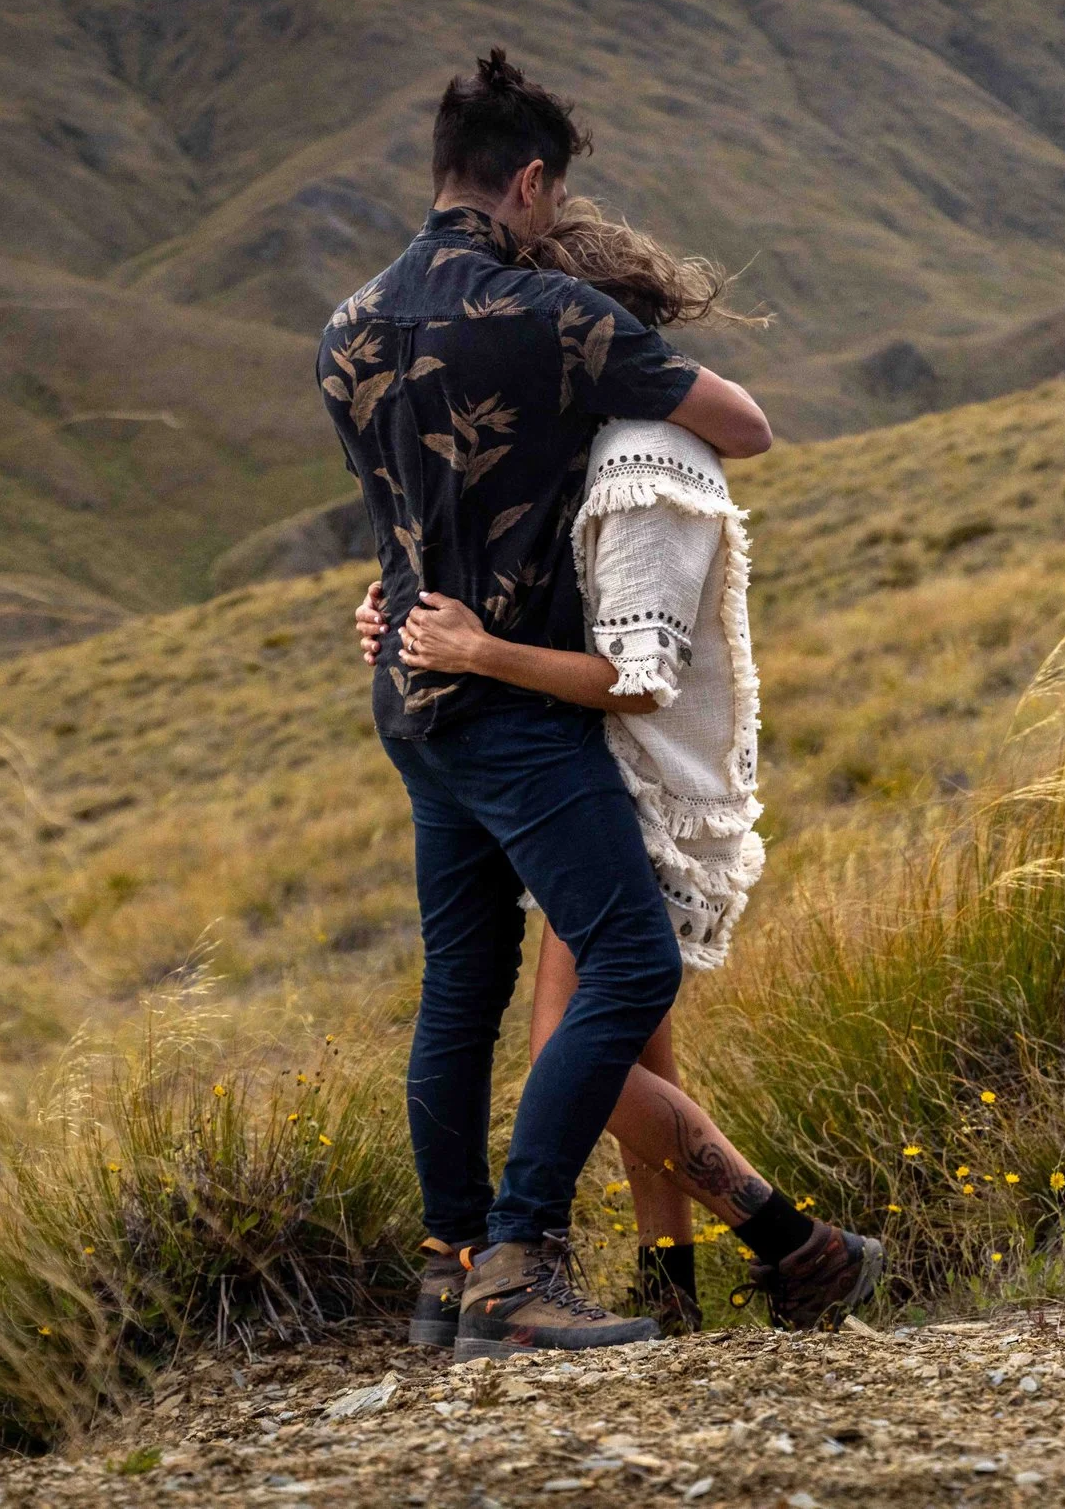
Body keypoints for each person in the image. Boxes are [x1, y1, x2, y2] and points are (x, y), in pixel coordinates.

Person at [318, 49, 878, 1360]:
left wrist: (395, 609)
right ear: (528, 183)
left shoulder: (346, 322)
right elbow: (743, 424)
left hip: (412, 703)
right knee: (625, 965)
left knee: (460, 992)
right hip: (519, 711)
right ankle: (523, 1259)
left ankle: (449, 1274)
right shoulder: (547, 314)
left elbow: (411, 519)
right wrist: (620, 369)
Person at [353, 201, 776, 1340]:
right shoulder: (574, 443)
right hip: (562, 744)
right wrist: (403, 609)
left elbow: (639, 666)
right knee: (621, 1017)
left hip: (609, 757)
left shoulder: (639, 449)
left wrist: (466, 645)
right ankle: (631, 1273)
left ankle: (753, 1253)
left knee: (560, 1024)